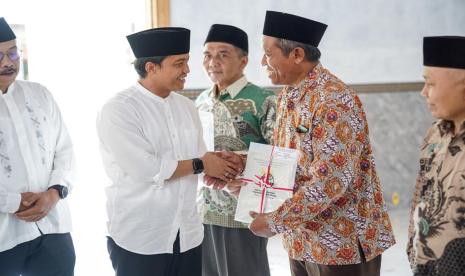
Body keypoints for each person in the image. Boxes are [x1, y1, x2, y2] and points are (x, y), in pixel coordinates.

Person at [246, 11, 396, 276]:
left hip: (341, 242)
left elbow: (331, 181)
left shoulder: (333, 101)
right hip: (301, 238)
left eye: (268, 54)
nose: (262, 62)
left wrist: (276, 221)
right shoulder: (288, 96)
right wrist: (248, 181)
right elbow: (286, 161)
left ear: (297, 55)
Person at [97, 27, 243, 276]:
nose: (187, 70)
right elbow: (148, 169)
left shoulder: (186, 107)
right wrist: (202, 164)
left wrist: (222, 171)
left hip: (188, 234)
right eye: (179, 64)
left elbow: (199, 157)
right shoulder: (119, 110)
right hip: (142, 237)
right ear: (151, 67)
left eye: (186, 62)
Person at [196, 23, 276, 276]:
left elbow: (280, 154)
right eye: (207, 54)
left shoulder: (263, 100)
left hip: (245, 209)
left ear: (243, 61)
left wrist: (240, 164)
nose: (213, 61)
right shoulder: (200, 101)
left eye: (223, 54)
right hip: (204, 208)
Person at [0, 17, 76, 276]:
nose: (7, 62)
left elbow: (64, 150)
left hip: (52, 227)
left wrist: (54, 193)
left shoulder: (39, 94)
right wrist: (13, 201)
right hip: (4, 237)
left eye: (12, 52)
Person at [407, 36, 465, 276]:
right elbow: (422, 188)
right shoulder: (436, 133)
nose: (423, 92)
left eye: (430, 84)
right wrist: (412, 242)